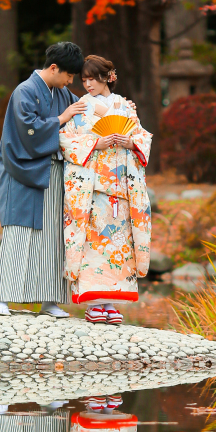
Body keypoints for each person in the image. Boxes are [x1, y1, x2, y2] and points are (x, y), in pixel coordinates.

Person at [0, 41, 87, 318]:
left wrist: (114, 103)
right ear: (54, 67)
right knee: (19, 232)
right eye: (69, 75)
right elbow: (28, 130)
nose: (71, 81)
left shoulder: (62, 92)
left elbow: (85, 112)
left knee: (53, 235)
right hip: (23, 171)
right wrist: (60, 119)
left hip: (53, 172)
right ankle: (3, 297)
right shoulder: (25, 91)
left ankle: (50, 300)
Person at [59, 54, 152, 326]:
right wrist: (94, 144)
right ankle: (93, 304)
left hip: (121, 189)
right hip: (93, 189)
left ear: (108, 77)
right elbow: (66, 139)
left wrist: (130, 142)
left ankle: (110, 303)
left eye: (93, 79)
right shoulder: (80, 107)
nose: (88, 85)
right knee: (93, 246)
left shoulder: (125, 106)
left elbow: (142, 136)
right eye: (84, 80)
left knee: (119, 247)